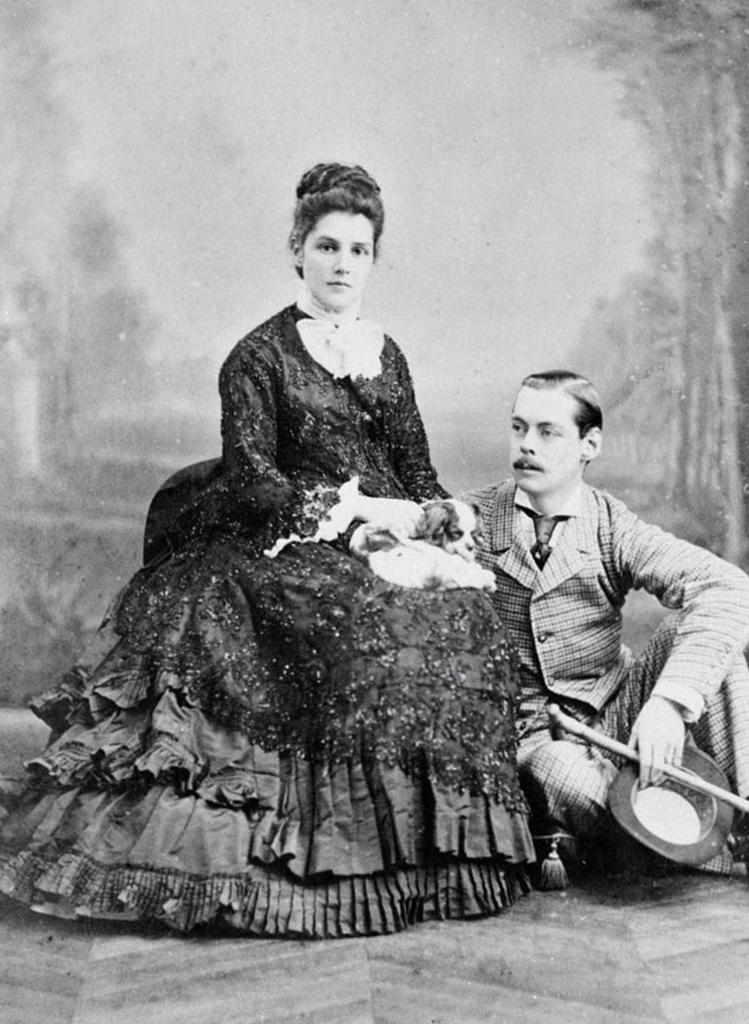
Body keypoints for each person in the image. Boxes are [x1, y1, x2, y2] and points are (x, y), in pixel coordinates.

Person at [0, 163, 533, 938]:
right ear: (297, 250)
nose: (344, 264)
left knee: (469, 604)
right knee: (362, 620)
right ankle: (334, 854)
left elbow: (415, 468)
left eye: (359, 249)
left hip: (382, 531)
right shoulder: (257, 357)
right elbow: (253, 481)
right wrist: (351, 528)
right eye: (327, 246)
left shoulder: (388, 353)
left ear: (374, 259)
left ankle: (440, 855)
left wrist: (435, 513)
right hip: (282, 535)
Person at [464, 369, 749, 885]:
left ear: (590, 444)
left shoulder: (610, 524)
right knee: (555, 770)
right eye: (519, 428)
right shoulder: (473, 517)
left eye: (547, 431)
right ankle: (692, 846)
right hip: (536, 734)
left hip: (620, 709)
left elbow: (731, 589)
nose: (526, 446)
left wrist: (669, 706)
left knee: (693, 636)